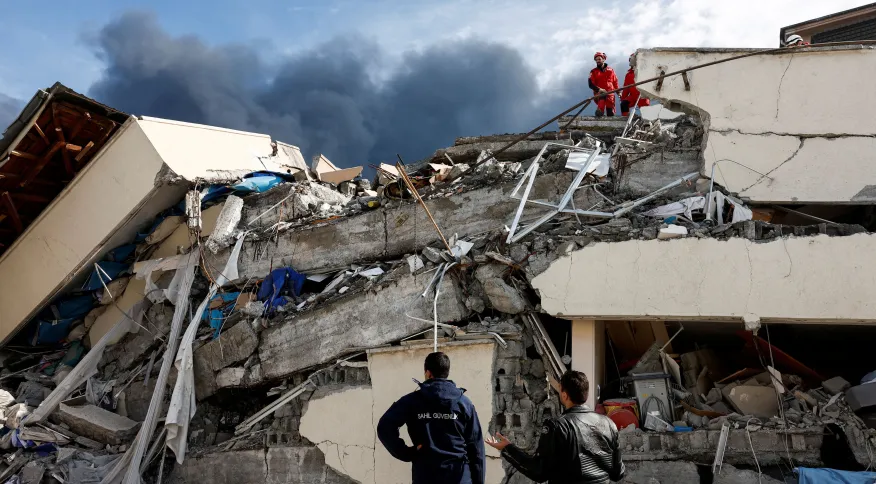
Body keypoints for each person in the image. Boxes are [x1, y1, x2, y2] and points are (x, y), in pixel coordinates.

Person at [485, 370, 625, 484]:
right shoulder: (609, 424)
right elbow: (618, 473)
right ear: (586, 394)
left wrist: (507, 448)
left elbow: (539, 472)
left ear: (564, 395)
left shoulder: (558, 427)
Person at [377, 352, 485, 484]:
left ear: (428, 373)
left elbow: (385, 427)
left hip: (426, 476)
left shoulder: (411, 401)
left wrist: (406, 453)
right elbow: (476, 448)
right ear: (447, 372)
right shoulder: (464, 403)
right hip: (459, 477)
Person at [588, 52, 619, 117]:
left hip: (610, 95)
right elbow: (590, 84)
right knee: (602, 95)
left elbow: (615, 82)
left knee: (610, 114)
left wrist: (619, 92)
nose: (597, 61)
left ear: (603, 59)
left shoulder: (611, 70)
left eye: (599, 59)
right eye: (596, 60)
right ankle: (600, 111)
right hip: (599, 94)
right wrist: (600, 89)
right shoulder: (593, 72)